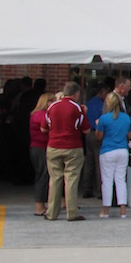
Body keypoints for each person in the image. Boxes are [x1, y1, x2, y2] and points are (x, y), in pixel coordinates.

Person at [42, 82, 89, 221]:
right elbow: (86, 130)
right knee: (71, 179)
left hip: (54, 146)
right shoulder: (77, 108)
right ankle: (72, 212)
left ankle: (51, 213)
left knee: (55, 179)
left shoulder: (52, 106)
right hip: (73, 146)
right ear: (75, 94)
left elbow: (43, 128)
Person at [94, 91, 131, 219]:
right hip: (122, 150)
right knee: (121, 180)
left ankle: (105, 210)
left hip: (108, 150)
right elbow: (129, 135)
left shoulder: (104, 118)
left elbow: (98, 137)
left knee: (107, 181)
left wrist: (98, 126)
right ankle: (123, 210)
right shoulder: (126, 117)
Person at [80, 80, 110, 198]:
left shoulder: (89, 102)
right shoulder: (101, 105)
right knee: (99, 163)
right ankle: (100, 190)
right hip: (98, 133)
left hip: (88, 134)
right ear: (102, 92)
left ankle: (86, 188)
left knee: (89, 162)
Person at [28, 91, 51, 216]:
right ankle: (40, 205)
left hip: (37, 148)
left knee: (42, 175)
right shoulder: (41, 115)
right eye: (51, 101)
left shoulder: (36, 114)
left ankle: (42, 204)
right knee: (43, 175)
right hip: (40, 148)